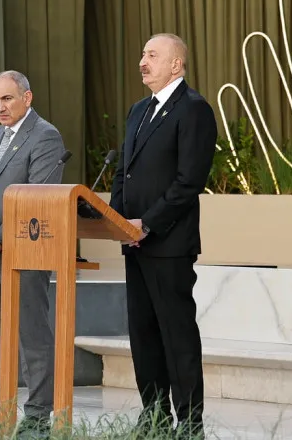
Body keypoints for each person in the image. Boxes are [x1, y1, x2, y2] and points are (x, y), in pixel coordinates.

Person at [110, 33, 217, 437]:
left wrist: (148, 224)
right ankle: (153, 417)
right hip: (134, 243)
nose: (143, 61)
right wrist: (119, 220)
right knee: (143, 335)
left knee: (177, 336)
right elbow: (123, 171)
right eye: (142, 54)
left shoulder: (194, 109)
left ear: (176, 64)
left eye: (152, 55)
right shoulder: (138, 110)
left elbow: (189, 182)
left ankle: (189, 423)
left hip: (169, 244)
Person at [0, 70, 66, 438]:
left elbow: (39, 197)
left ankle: (38, 416)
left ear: (27, 98)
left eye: (7, 99)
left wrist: (0, 237)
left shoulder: (45, 136)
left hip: (26, 251)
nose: (0, 107)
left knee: (32, 335)